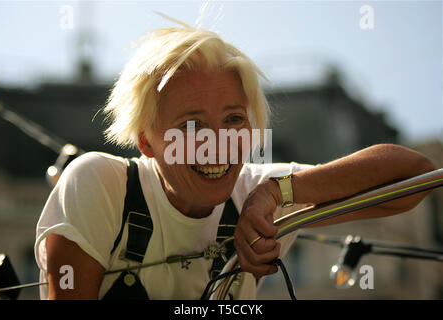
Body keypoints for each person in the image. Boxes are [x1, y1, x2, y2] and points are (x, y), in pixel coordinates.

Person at [34, 21, 436, 300]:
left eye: (234, 120)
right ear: (146, 142)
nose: (218, 143)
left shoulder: (256, 191)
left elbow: (417, 175)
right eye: (191, 125)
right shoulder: (99, 183)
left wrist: (277, 192)